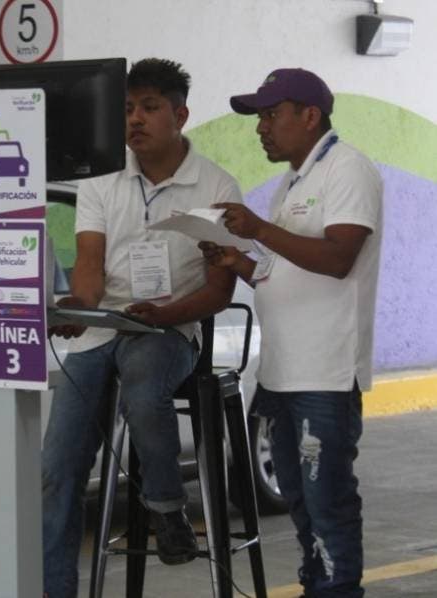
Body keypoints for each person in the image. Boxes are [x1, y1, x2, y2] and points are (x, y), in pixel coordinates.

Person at [42, 58, 240, 598]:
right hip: (104, 329)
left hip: (170, 330)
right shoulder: (100, 179)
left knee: (143, 384)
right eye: (128, 108)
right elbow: (89, 266)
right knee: (57, 467)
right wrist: (76, 307)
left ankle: (168, 511)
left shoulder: (216, 184)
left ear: (180, 115)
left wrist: (165, 315)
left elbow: (220, 291)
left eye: (149, 108)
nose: (135, 119)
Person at [201, 68, 382, 598]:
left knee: (327, 502)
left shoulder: (347, 170)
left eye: (271, 114)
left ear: (310, 115)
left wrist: (259, 228)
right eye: (259, 117)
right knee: (300, 504)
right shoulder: (295, 181)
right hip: (281, 375)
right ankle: (317, 587)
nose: (261, 127)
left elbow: (339, 258)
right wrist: (238, 262)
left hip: (324, 374)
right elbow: (282, 270)